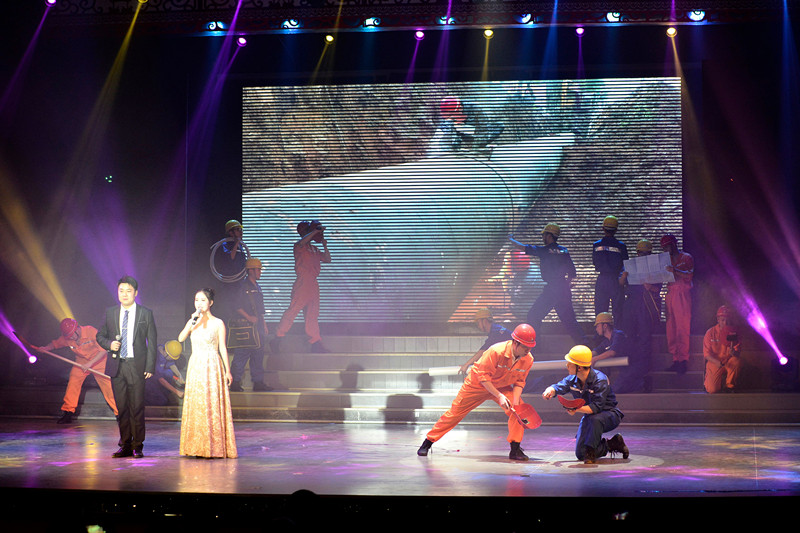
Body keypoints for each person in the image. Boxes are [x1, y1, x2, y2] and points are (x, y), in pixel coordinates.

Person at [417, 324, 537, 461]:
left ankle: (515, 449)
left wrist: (515, 403)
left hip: (502, 386)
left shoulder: (528, 359)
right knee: (455, 413)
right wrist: (499, 396)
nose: (528, 350)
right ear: (515, 343)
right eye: (525, 347)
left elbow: (519, 382)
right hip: (477, 385)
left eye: (530, 347)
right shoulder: (496, 351)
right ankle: (428, 442)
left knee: (518, 412)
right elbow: (483, 377)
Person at [96, 275, 157, 459]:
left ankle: (138, 446)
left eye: (128, 291)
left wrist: (150, 366)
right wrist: (109, 344)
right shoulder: (110, 312)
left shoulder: (145, 313)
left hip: (136, 366)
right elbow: (100, 336)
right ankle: (125, 445)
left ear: (135, 293)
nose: (124, 294)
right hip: (117, 366)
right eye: (121, 291)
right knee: (121, 408)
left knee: (136, 407)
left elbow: (152, 342)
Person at [542, 345, 629, 464]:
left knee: (595, 419)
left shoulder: (600, 380)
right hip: (590, 416)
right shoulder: (572, 379)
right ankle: (613, 444)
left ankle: (591, 452)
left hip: (609, 415)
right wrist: (550, 390)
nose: (567, 365)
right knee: (581, 454)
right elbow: (558, 387)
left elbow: (597, 407)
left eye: (570, 363)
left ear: (579, 367)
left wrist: (575, 409)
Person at [178, 288, 237, 458]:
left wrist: (228, 371)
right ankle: (196, 446)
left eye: (203, 300)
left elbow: (222, 348)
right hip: (196, 365)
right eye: (196, 300)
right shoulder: (193, 321)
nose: (199, 303)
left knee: (211, 404)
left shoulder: (218, 323)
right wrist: (192, 322)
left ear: (210, 303)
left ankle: (213, 446)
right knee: (197, 405)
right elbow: (181, 338)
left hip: (212, 365)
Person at [509, 224, 585, 344]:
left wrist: (511, 240)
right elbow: (572, 273)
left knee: (533, 316)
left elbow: (524, 248)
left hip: (551, 290)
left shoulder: (544, 251)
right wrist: (565, 286)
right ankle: (585, 345)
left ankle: (535, 347)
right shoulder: (564, 251)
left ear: (549, 236)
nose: (543, 237)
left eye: (544, 235)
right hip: (563, 289)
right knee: (570, 321)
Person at [37, 318, 118, 423]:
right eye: (68, 336)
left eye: (72, 335)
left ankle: (119, 413)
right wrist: (45, 348)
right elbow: (55, 344)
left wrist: (90, 364)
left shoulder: (91, 331)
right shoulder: (67, 338)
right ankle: (68, 412)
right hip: (81, 363)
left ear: (77, 329)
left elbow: (103, 351)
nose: (71, 338)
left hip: (99, 361)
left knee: (108, 388)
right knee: (73, 383)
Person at [273, 220, 332, 354]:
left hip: (313, 283)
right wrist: (315, 231)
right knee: (293, 311)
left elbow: (328, 259)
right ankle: (277, 338)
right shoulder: (299, 246)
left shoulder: (314, 249)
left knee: (312, 314)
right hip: (303, 282)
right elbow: (301, 243)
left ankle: (315, 342)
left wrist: (325, 246)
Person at [615, 239, 662, 393]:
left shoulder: (655, 267)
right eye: (641, 252)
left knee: (645, 339)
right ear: (637, 252)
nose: (643, 255)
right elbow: (620, 283)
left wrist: (650, 287)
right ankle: (628, 370)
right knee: (628, 337)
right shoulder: (629, 265)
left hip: (646, 304)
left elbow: (658, 289)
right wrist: (624, 276)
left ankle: (643, 372)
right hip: (631, 304)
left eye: (646, 253)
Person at [231, 258, 272, 392]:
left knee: (258, 354)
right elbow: (236, 306)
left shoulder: (257, 287)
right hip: (245, 326)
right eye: (258, 269)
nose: (260, 272)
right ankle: (235, 382)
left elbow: (260, 309)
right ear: (251, 270)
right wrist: (249, 317)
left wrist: (263, 324)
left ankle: (258, 382)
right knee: (242, 354)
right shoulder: (243, 286)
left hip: (258, 326)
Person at [661, 234, 694, 374]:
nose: (665, 250)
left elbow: (689, 275)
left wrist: (674, 271)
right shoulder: (665, 260)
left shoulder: (686, 257)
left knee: (682, 327)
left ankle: (683, 360)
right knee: (671, 329)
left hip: (682, 294)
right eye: (663, 248)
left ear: (673, 244)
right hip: (670, 294)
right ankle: (675, 359)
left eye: (667, 246)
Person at [592, 216, 628, 324]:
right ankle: (618, 332)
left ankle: (601, 332)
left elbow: (595, 262)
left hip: (602, 280)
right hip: (616, 280)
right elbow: (626, 265)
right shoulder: (621, 246)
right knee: (618, 311)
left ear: (603, 228)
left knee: (601, 311)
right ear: (616, 230)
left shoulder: (596, 245)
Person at [458, 308, 513, 374]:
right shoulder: (497, 329)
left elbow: (483, 351)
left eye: (478, 323)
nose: (478, 326)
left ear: (484, 321)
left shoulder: (495, 333)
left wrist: (466, 365)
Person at [703, 305, 742, 393]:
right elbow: (706, 354)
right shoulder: (710, 333)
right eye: (723, 320)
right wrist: (717, 362)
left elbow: (738, 353)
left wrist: (734, 353)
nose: (725, 323)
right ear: (718, 320)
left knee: (736, 361)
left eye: (728, 320)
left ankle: (730, 386)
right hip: (715, 362)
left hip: (729, 362)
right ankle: (710, 381)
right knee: (712, 390)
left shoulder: (734, 333)